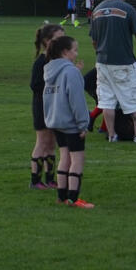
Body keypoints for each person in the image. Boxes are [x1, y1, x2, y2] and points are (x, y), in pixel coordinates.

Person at [89, 0, 136, 143]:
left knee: (107, 100)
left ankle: (112, 135)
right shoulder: (127, 9)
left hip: (102, 62)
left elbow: (94, 40)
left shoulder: (97, 10)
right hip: (124, 62)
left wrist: (100, 53)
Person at [43, 34, 94, 208]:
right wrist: (83, 123)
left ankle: (61, 196)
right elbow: (77, 100)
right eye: (75, 50)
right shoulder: (70, 71)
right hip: (71, 123)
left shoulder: (49, 69)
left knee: (64, 157)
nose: (76, 53)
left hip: (56, 122)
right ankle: (73, 199)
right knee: (77, 159)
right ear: (65, 52)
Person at [28, 22, 64, 190]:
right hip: (42, 106)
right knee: (42, 142)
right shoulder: (41, 62)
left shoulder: (58, 61)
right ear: (48, 41)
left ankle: (50, 179)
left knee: (51, 144)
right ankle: (35, 180)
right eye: (59, 39)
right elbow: (35, 85)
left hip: (55, 106)